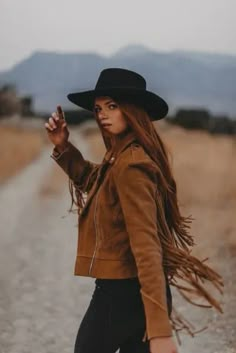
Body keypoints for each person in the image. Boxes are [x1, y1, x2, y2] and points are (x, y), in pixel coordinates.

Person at [44, 68, 224, 353]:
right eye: (98, 108)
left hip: (121, 295)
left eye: (112, 106)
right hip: (133, 293)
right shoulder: (122, 156)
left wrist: (160, 332)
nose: (102, 114)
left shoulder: (131, 165)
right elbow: (98, 182)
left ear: (132, 110)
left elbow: (147, 246)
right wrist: (64, 147)